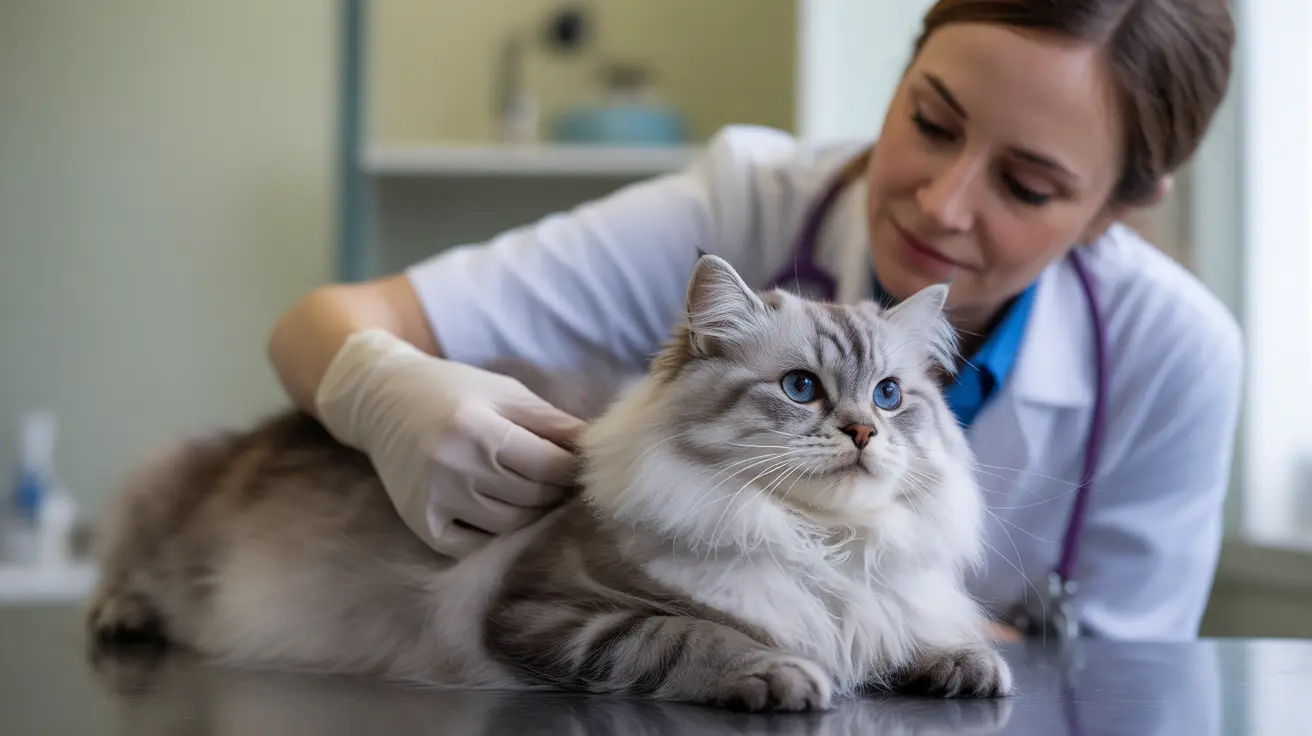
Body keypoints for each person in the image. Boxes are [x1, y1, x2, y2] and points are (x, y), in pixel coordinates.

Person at [268, 0, 1240, 641]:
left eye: (1026, 185)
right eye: (932, 123)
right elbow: (320, 324)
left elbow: (1118, 677)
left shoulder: (1173, 355)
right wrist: (380, 388)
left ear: (1119, 206)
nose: (943, 203)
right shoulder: (744, 200)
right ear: (899, 77)